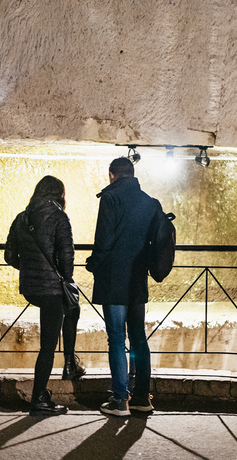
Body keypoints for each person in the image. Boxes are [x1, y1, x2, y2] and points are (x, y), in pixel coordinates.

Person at [86, 157, 161, 416]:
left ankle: (120, 400)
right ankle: (142, 398)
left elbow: (104, 240)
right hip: (137, 279)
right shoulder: (149, 202)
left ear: (112, 175)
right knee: (138, 338)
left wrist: (93, 264)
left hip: (113, 280)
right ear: (132, 174)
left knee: (117, 339)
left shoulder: (110, 199)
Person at [5, 175, 83, 415]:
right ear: (59, 194)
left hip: (31, 289)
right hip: (50, 290)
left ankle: (70, 363)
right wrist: (59, 275)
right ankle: (39, 397)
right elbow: (67, 263)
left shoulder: (22, 218)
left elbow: (9, 256)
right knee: (48, 345)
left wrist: (30, 270)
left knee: (73, 308)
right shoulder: (60, 217)